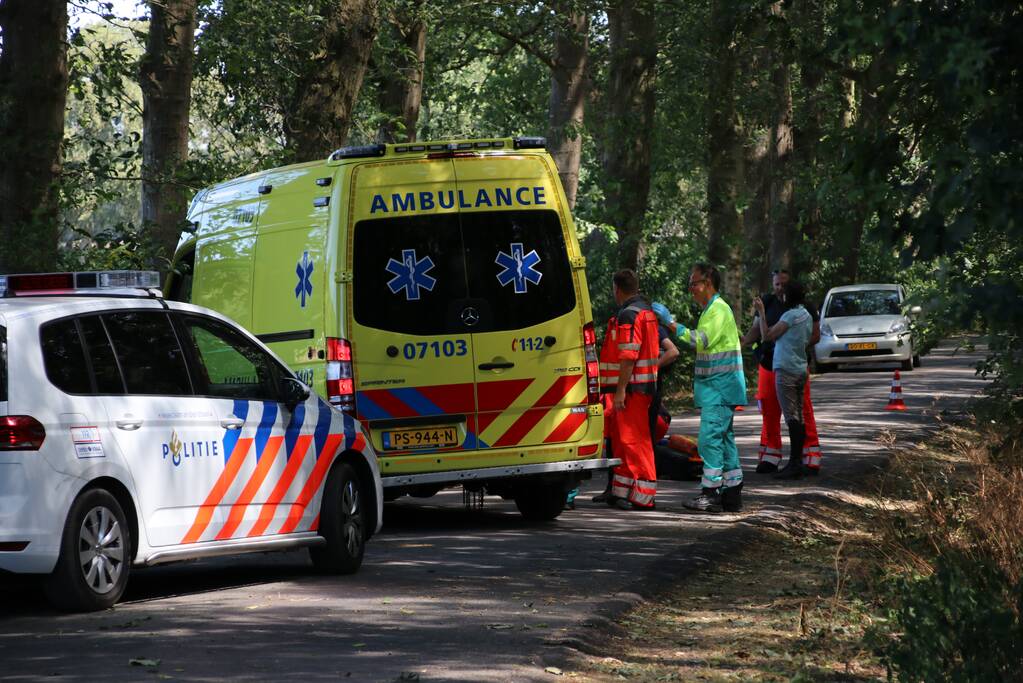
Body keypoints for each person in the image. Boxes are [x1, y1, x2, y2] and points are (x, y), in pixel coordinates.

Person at [653, 263, 746, 512]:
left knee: (709, 440)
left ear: (708, 283)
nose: (691, 289)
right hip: (720, 389)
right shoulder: (712, 310)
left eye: (694, 283)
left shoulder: (717, 310)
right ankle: (732, 492)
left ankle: (711, 493)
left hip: (719, 389)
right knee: (724, 440)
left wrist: (670, 323)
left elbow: (698, 340)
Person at [741, 269, 824, 474]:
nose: (780, 289)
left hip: (792, 364)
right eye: (777, 284)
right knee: (769, 410)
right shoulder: (768, 302)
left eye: (784, 285)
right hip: (769, 364)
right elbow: (755, 331)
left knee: (802, 410)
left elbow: (814, 335)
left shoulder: (803, 308)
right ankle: (771, 455)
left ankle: (809, 455)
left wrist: (793, 344)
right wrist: (741, 343)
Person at [598, 269, 660, 510]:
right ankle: (622, 492)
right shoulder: (645, 311)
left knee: (635, 441)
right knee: (625, 441)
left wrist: (621, 390)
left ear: (617, 289)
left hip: (631, 389)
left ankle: (644, 496)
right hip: (640, 387)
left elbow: (628, 356)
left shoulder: (629, 315)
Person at [754, 280, 813, 478]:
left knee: (791, 418)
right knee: (799, 415)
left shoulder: (790, 316)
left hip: (786, 370)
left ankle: (794, 464)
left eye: (784, 294)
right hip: (800, 368)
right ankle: (798, 460)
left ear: (789, 297)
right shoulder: (805, 314)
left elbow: (767, 336)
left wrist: (761, 312)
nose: (781, 296)